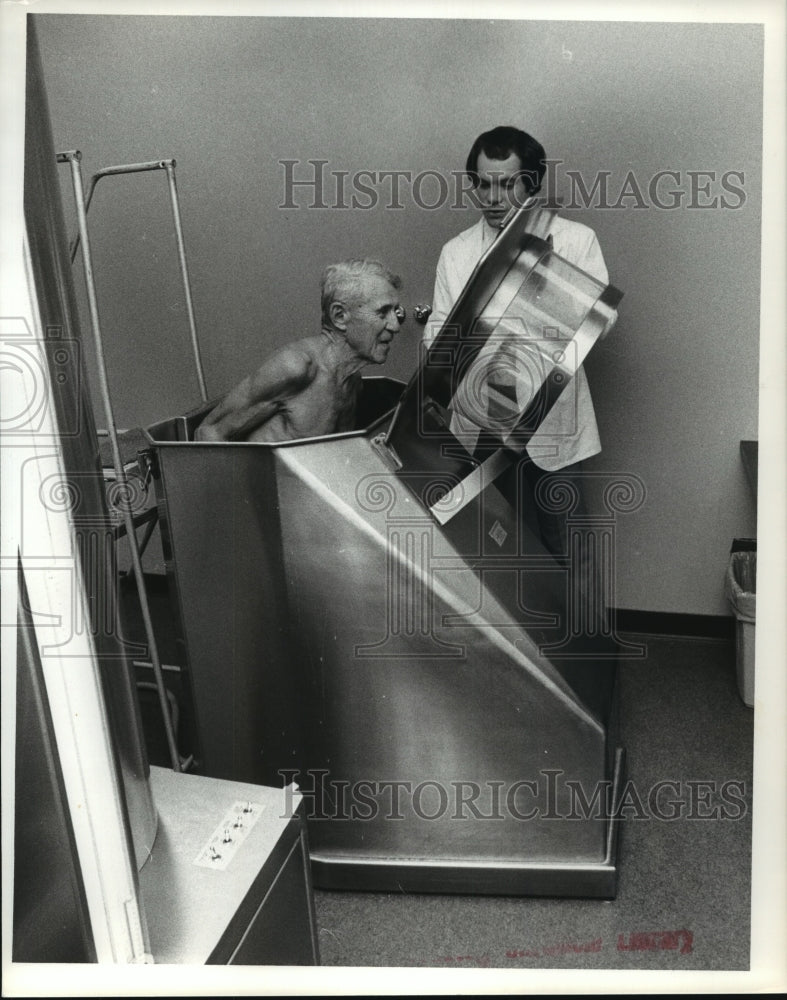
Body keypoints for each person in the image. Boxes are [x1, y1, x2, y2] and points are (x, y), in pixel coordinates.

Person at [427, 126, 614, 625]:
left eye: (507, 184)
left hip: (555, 426)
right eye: (483, 184)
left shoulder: (576, 240)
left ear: (531, 181)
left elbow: (595, 322)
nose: (493, 197)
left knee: (570, 546)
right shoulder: (457, 252)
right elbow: (437, 337)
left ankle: (586, 658)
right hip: (485, 427)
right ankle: (524, 671)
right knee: (500, 546)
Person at [195, 259, 402, 442]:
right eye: (383, 312)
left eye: (396, 312)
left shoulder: (351, 380)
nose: (395, 325)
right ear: (339, 316)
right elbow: (208, 433)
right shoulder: (296, 367)